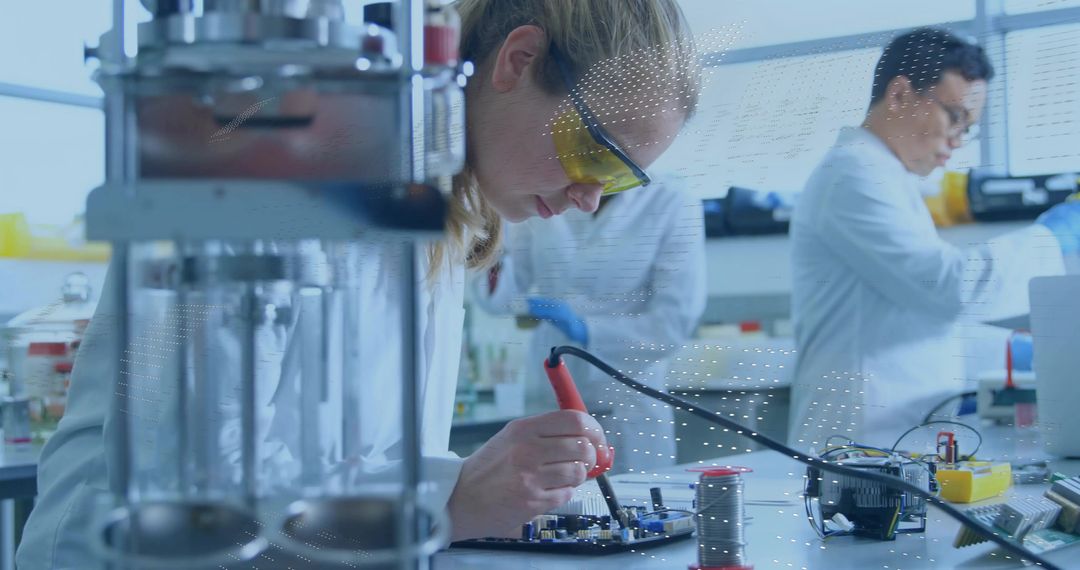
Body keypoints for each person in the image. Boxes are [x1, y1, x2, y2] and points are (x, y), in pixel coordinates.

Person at [18, 1, 701, 566]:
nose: (589, 198)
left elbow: (360, 460)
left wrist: (479, 488)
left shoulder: (444, 212)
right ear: (517, 62)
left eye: (617, 181)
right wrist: (449, 498)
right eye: (594, 155)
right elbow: (184, 481)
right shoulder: (271, 159)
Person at [787, 27, 1080, 450]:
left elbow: (917, 320)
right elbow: (948, 288)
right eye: (955, 118)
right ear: (901, 93)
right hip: (860, 435)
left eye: (968, 128)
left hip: (894, 430)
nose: (958, 142)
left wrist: (1020, 352)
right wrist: (1053, 235)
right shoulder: (852, 174)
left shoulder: (885, 175)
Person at [470, 181, 706, 475]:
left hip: (628, 407)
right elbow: (500, 299)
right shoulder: (547, 191)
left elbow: (672, 324)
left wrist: (585, 328)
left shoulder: (670, 200)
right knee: (559, 512)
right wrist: (493, 229)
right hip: (554, 398)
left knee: (634, 513)